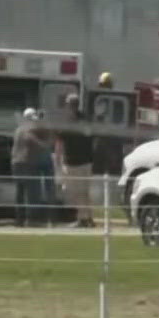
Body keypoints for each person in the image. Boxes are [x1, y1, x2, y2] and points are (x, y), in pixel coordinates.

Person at [54, 93, 97, 228]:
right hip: (87, 161)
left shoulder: (67, 122)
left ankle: (82, 219)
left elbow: (59, 142)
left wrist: (57, 158)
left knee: (76, 192)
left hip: (73, 162)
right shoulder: (85, 119)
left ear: (69, 105)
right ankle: (88, 217)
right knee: (85, 191)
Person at [12, 108, 56, 227]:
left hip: (17, 162)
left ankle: (20, 219)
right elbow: (36, 141)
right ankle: (30, 219)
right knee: (32, 192)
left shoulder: (19, 129)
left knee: (20, 192)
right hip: (27, 163)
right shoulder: (28, 130)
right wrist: (45, 144)